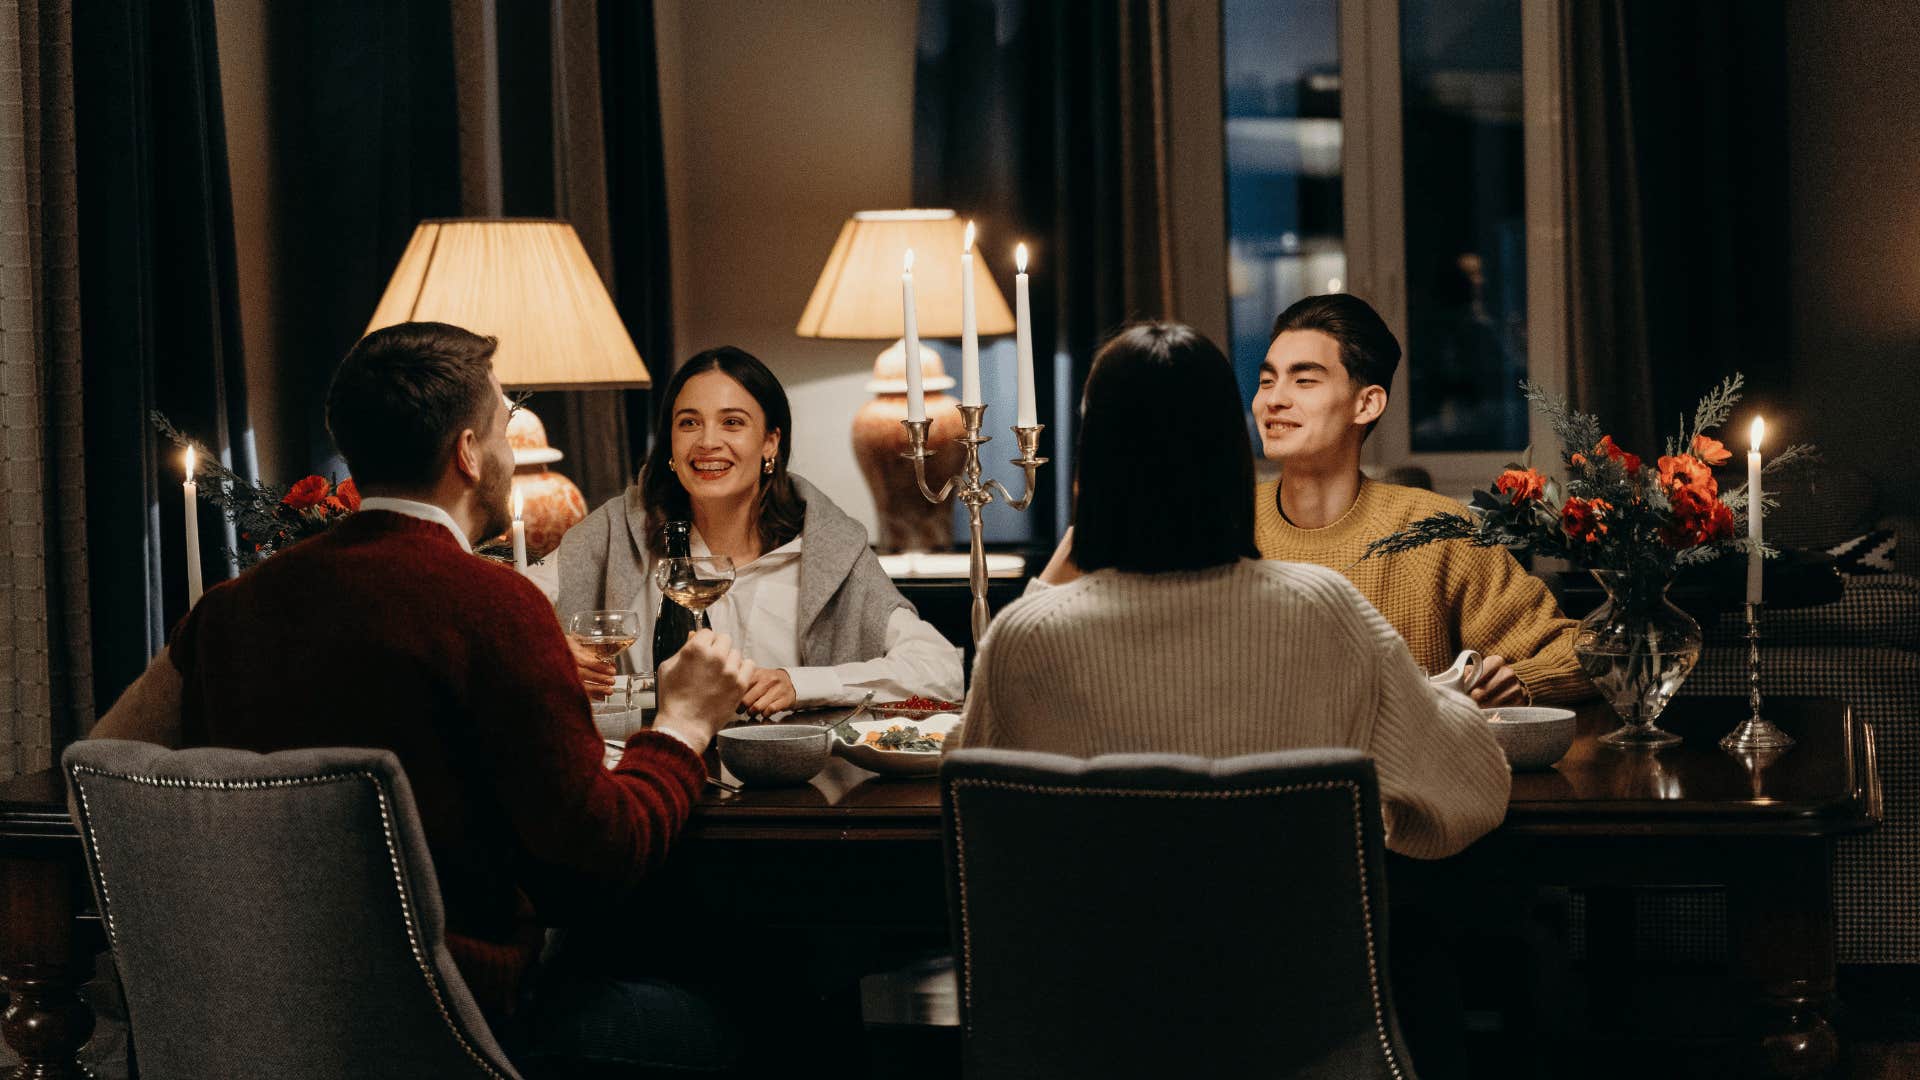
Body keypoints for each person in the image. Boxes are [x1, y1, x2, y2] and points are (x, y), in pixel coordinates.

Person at [93, 322, 751, 1071]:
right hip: (454, 1029)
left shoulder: (230, 609)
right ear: (469, 453)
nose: (506, 450)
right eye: (503, 428)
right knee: (758, 1014)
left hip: (255, 1028)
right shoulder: (492, 607)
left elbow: (102, 761)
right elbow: (596, 865)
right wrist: (684, 725)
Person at [958, 322, 1509, 861]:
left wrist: (1055, 577)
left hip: (1090, 950)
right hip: (1292, 951)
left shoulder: (1024, 637)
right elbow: (1474, 787)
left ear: (1092, 461)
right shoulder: (1323, 610)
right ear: (1231, 454)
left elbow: (966, 805)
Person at [557, 345, 962, 718]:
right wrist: (551, 651)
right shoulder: (617, 535)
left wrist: (801, 684)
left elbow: (940, 670)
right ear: (671, 447)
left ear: (770, 442)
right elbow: (507, 620)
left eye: (732, 422)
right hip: (648, 779)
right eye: (689, 423)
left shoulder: (827, 550)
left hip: (798, 787)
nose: (708, 442)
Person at [1252, 293, 1592, 707]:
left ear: (1367, 403)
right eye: (1267, 380)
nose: (1272, 400)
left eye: (1303, 380)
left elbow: (1578, 653)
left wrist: (1521, 682)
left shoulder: (1434, 532)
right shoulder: (1224, 526)